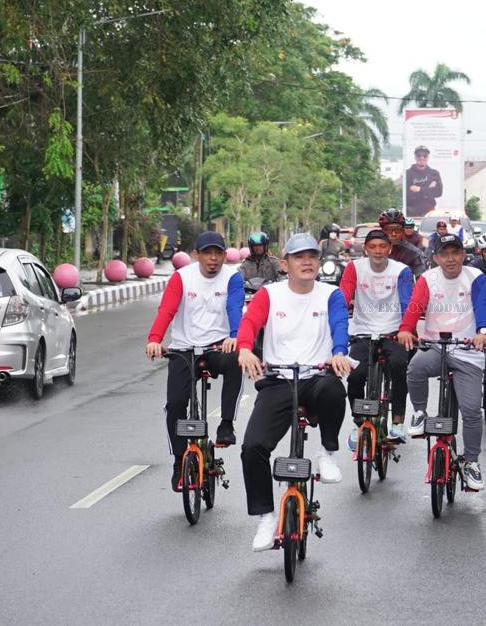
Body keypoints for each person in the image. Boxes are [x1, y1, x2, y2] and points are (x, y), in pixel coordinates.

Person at [236, 233, 353, 552]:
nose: (307, 262)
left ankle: (327, 453)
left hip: (317, 376)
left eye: (312, 256)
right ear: (285, 264)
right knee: (252, 447)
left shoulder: (331, 294)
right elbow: (250, 323)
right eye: (299, 257)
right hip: (279, 379)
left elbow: (340, 325)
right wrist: (245, 349)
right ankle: (266, 517)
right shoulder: (269, 294)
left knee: (334, 389)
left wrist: (339, 352)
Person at [145, 231, 245, 491]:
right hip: (184, 348)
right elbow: (167, 310)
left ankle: (226, 425)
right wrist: (155, 339)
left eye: (218, 253)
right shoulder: (181, 277)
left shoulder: (232, 277)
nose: (213, 259)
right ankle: (179, 461)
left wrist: (235, 336)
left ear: (225, 255)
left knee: (237, 360)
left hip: (218, 346)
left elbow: (235, 308)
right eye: (207, 253)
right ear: (196, 255)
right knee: (175, 405)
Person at [397, 233, 486, 490]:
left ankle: (471, 462)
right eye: (444, 254)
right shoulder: (428, 279)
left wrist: (483, 332)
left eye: (455, 253)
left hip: (467, 349)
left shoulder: (475, 277)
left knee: (471, 410)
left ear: (463, 254)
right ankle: (419, 413)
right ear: (436, 258)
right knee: (415, 368)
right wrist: (405, 329)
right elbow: (416, 306)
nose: (451, 258)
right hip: (435, 345)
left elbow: (482, 307)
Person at [340, 229, 414, 444]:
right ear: (365, 249)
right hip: (362, 330)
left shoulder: (401, 270)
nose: (378, 251)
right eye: (372, 247)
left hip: (393, 330)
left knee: (399, 366)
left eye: (382, 247)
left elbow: (407, 302)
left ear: (389, 249)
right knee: (355, 375)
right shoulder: (354, 267)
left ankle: (397, 422)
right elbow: (344, 295)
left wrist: (406, 328)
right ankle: (358, 422)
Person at [378, 208, 427, 278]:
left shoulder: (414, 253)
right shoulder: (372, 250)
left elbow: (422, 278)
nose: (393, 234)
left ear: (402, 231)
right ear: (382, 231)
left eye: (398, 230)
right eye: (389, 230)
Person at [405, 145, 443, 216]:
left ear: (428, 158)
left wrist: (419, 189)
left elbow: (438, 192)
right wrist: (428, 190)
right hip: (410, 212)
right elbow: (407, 195)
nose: (422, 158)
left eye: (425, 155)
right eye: (419, 155)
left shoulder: (434, 173)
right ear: (415, 158)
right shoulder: (407, 173)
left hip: (429, 212)